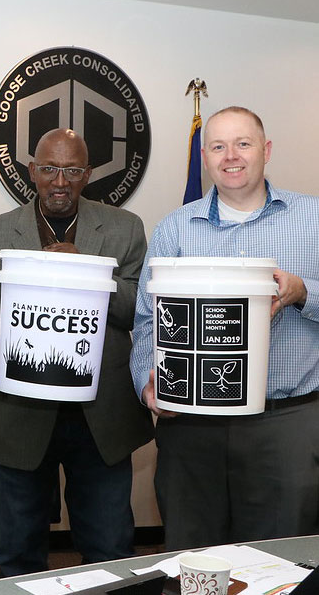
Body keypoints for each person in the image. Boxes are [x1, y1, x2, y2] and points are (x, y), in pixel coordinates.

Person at [0, 128, 153, 576]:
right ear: (32, 171)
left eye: (71, 170)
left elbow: (138, 309)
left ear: (87, 175)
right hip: (21, 412)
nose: (59, 181)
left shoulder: (125, 229)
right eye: (48, 169)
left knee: (109, 550)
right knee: (19, 555)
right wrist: (11, 363)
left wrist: (84, 271)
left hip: (100, 417)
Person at [131, 106, 319, 550]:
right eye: (218, 146)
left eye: (243, 143)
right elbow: (145, 321)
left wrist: (302, 291)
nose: (230, 156)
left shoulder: (313, 220)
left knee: (281, 563)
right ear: (206, 156)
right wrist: (146, 384)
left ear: (266, 150)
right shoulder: (174, 228)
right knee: (195, 559)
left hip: (285, 425)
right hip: (192, 428)